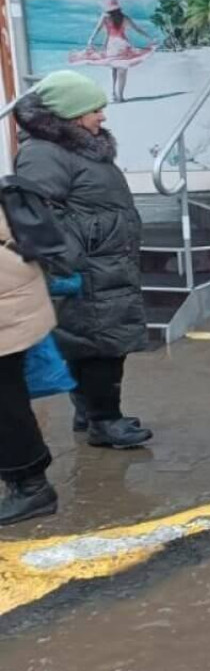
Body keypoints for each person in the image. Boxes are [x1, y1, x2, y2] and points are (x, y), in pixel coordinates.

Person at [15, 70, 153, 450]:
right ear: (71, 114)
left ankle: (91, 411)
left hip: (106, 262)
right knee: (99, 345)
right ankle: (105, 422)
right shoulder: (43, 153)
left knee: (98, 341)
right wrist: (75, 256)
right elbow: (39, 213)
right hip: (89, 266)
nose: (103, 116)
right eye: (95, 109)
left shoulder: (78, 146)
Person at [0, 203, 59, 525]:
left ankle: (32, 488)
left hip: (7, 308)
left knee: (6, 403)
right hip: (14, 299)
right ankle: (25, 483)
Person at [80, 0, 155, 103]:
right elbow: (137, 29)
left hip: (112, 46)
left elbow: (97, 29)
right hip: (123, 45)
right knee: (122, 71)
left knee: (114, 70)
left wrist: (90, 40)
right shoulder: (124, 18)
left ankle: (113, 93)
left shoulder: (105, 17)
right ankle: (120, 96)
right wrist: (149, 37)